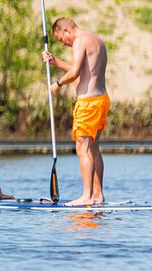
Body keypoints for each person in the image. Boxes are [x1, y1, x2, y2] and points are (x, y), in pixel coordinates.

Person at [44, 15, 109, 206]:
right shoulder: (96, 39)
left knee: (83, 148)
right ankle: (98, 195)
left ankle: (87, 196)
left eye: (61, 39)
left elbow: (74, 74)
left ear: (67, 31)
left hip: (88, 104)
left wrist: (57, 83)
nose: (63, 43)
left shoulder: (80, 41)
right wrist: (55, 62)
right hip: (101, 100)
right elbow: (82, 69)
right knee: (94, 149)